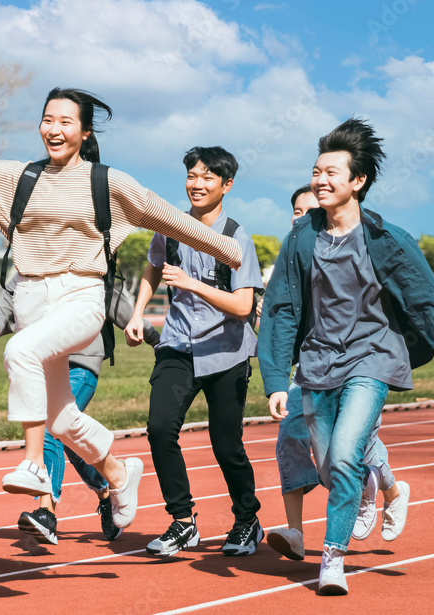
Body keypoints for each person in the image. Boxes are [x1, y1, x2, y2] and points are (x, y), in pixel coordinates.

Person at [0, 88, 242, 533]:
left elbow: (167, 215)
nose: (54, 130)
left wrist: (227, 250)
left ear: (85, 131)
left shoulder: (107, 182)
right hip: (31, 297)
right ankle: (117, 473)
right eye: (47, 120)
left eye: (65, 122)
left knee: (20, 353)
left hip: (80, 295)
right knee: (60, 416)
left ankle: (34, 465)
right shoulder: (18, 178)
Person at [259, 118, 434, 595]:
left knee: (349, 452)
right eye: (317, 171)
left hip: (372, 358)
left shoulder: (385, 239)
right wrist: (275, 377)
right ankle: (371, 486)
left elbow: (427, 302)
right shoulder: (302, 239)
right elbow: (282, 309)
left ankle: (331, 562)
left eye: (333, 172)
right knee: (333, 466)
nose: (321, 180)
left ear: (358, 182)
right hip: (316, 363)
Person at [126, 146, 264, 558]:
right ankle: (183, 522)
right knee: (159, 428)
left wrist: (193, 284)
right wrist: (137, 312)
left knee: (226, 444)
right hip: (177, 345)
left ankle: (247, 520)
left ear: (227, 185)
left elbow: (243, 306)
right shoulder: (170, 226)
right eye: (192, 175)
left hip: (227, 352)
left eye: (207, 177)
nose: (197, 184)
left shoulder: (236, 236)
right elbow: (154, 266)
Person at [266, 186, 403, 562]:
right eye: (296, 209)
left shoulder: (348, 251)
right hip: (309, 367)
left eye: (309, 209)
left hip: (359, 362)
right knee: (290, 436)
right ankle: (295, 531)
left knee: (352, 444)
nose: (302, 216)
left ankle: (386, 487)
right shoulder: (294, 254)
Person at [0, 276, 159, 544]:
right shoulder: (37, 254)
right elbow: (15, 290)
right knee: (66, 432)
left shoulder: (87, 259)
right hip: (44, 357)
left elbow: (115, 303)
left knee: (51, 428)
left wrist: (154, 337)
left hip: (81, 363)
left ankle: (46, 513)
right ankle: (107, 486)